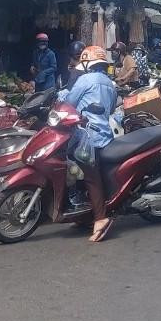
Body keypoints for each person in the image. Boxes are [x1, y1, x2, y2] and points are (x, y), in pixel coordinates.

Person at [59, 46, 120, 243]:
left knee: (91, 177)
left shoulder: (85, 79)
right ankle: (83, 214)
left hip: (86, 137)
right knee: (88, 174)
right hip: (105, 136)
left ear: (86, 62)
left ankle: (101, 219)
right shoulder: (110, 84)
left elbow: (69, 102)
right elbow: (110, 109)